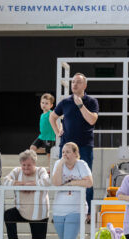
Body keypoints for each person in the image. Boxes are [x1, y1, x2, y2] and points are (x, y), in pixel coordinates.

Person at [49, 73, 98, 222]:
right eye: (73, 82)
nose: (74, 85)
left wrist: (80, 105)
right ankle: (60, 210)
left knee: (86, 178)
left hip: (84, 146)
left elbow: (92, 120)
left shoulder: (91, 101)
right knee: (61, 176)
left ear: (85, 85)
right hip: (66, 146)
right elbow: (53, 117)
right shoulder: (65, 102)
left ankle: (88, 213)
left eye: (78, 82)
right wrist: (58, 131)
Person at [3, 149, 51, 239]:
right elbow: (6, 181)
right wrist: (21, 184)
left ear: (34, 163)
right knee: (8, 215)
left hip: (39, 214)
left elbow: (47, 181)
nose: (25, 168)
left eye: (29, 165)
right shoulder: (17, 171)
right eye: (23, 165)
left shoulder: (41, 170)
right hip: (21, 211)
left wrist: (30, 185)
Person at [51, 142, 93, 239]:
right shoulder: (58, 163)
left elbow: (89, 182)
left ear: (76, 154)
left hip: (76, 209)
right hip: (58, 211)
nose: (65, 154)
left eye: (68, 152)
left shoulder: (81, 164)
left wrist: (72, 183)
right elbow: (56, 183)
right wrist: (60, 163)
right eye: (63, 152)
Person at [30, 93, 56, 166]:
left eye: (46, 103)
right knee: (32, 148)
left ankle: (50, 168)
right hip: (41, 136)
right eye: (42, 103)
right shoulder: (42, 115)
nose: (44, 105)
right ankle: (33, 165)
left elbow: (57, 118)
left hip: (49, 137)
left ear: (51, 105)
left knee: (49, 155)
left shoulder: (51, 113)